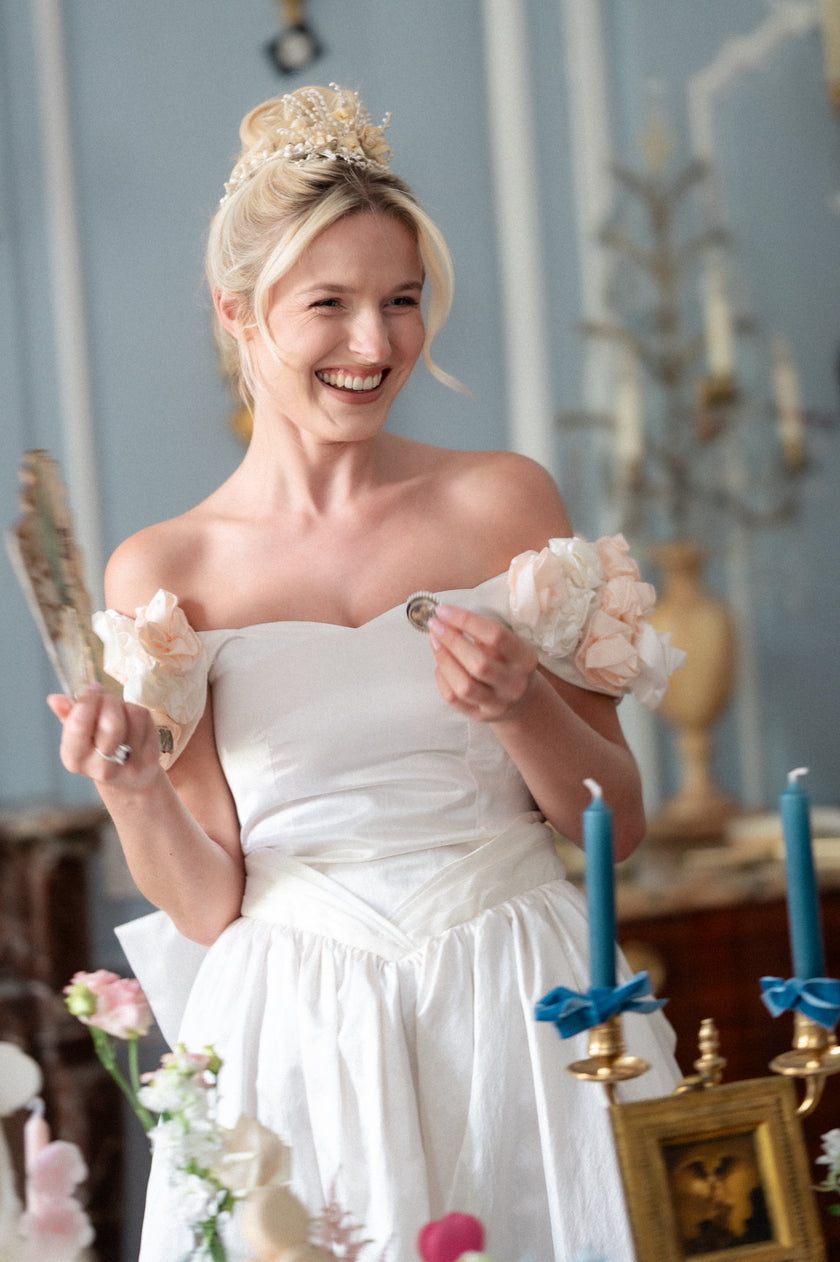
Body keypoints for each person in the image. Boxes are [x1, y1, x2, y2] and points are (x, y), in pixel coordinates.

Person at [48, 85, 683, 1261]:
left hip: (523, 993)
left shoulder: (506, 501)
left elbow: (617, 822)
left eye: (402, 302)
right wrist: (133, 783)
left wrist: (523, 702)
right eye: (329, 306)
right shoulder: (169, 567)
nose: (377, 344)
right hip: (299, 1022)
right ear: (240, 314)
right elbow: (206, 904)